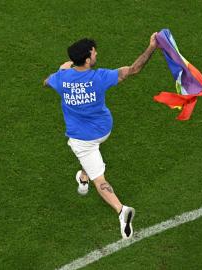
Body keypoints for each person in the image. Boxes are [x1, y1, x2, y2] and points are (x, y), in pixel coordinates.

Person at [43, 33, 157, 239]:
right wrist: (151, 47)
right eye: (93, 52)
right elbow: (133, 69)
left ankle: (122, 211)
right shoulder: (99, 77)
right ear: (87, 60)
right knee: (90, 164)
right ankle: (84, 178)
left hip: (83, 140)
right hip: (103, 130)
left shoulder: (61, 78)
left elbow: (47, 81)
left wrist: (63, 70)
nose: (96, 54)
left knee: (100, 179)